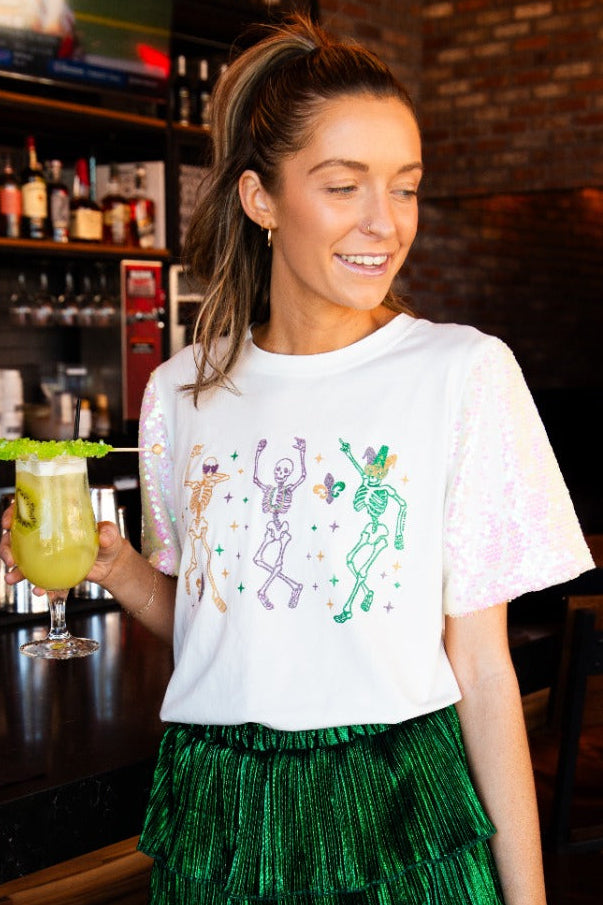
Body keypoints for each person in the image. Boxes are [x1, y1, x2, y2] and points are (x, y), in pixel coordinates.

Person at [1, 14, 595, 905]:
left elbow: (480, 665)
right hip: (217, 811)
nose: (383, 222)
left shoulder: (462, 371)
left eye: (405, 187)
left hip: (398, 803)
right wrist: (116, 568)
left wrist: (529, 899)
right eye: (344, 185)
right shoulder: (180, 391)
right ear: (260, 198)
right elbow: (224, 633)